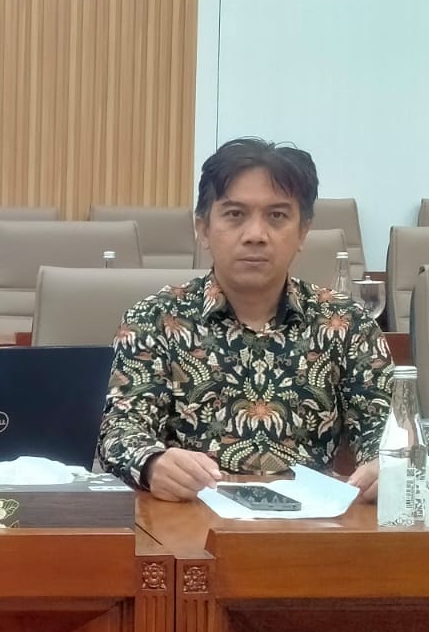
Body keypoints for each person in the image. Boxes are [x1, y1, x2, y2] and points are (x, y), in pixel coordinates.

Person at [98, 138, 393, 502]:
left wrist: (387, 464)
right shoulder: (154, 320)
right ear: (203, 229)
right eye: (235, 215)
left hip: (313, 524)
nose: (255, 235)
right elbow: (119, 430)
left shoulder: (346, 324)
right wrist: (153, 463)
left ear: (303, 232)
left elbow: (386, 431)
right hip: (190, 520)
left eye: (277, 216)